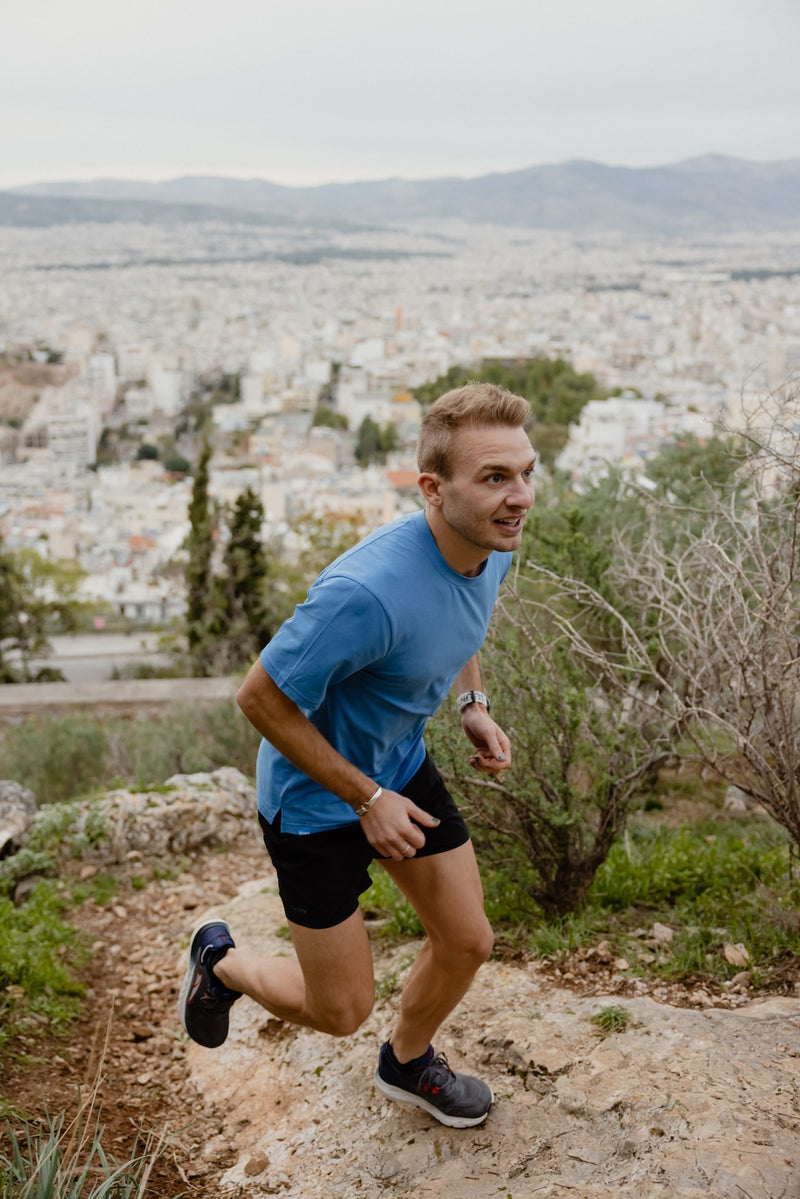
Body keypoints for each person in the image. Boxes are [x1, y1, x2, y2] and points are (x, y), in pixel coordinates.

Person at [179, 381, 535, 1128]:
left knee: (468, 939)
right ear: (433, 489)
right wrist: (363, 799)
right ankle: (221, 963)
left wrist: (472, 704)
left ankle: (407, 1061)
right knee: (339, 1009)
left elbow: (461, 621)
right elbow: (259, 698)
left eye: (526, 472)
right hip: (312, 802)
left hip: (398, 767)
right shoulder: (365, 592)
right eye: (496, 478)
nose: (519, 497)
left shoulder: (491, 542)